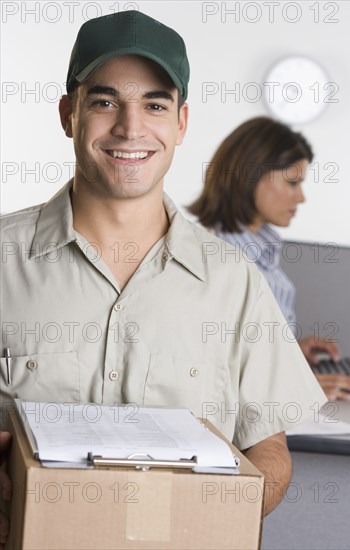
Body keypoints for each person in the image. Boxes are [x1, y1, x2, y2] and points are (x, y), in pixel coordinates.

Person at [0, 11, 327, 544]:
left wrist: (207, 516)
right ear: (68, 114)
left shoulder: (235, 283)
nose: (130, 128)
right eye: (104, 102)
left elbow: (269, 452)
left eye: (154, 104)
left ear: (181, 123)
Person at [188, 116, 350, 401]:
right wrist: (299, 389)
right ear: (250, 175)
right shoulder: (219, 258)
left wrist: (291, 350)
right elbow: (215, 369)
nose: (301, 198)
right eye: (292, 182)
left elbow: (248, 350)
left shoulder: (261, 248)